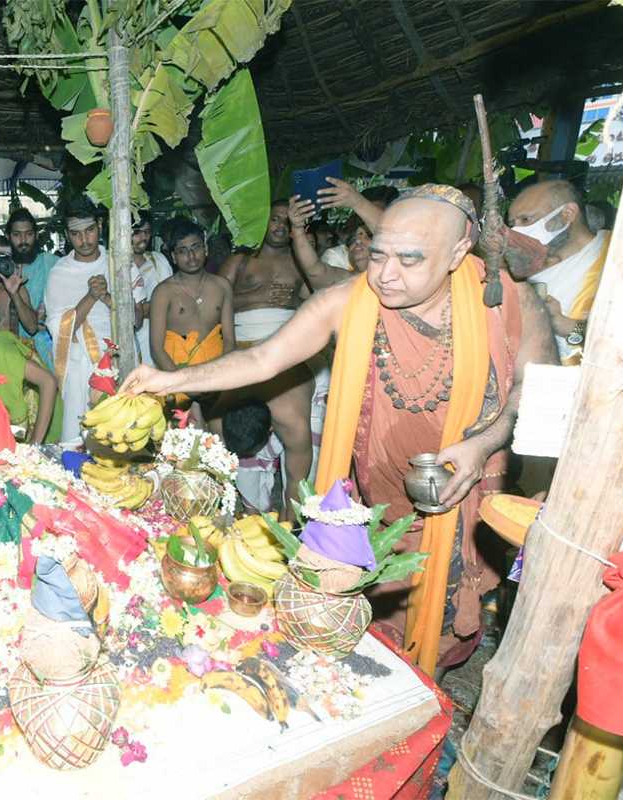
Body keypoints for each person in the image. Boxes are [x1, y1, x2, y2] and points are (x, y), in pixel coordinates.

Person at [125, 185, 557, 675]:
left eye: (410, 260)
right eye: (377, 254)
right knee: (380, 613)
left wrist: (482, 443)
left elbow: (533, 390)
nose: (386, 274)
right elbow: (265, 357)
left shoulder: (508, 302)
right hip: (385, 490)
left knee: (442, 618)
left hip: (468, 487)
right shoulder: (350, 300)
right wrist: (170, 379)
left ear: (459, 252)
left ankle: (425, 703)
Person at [217, 199, 320, 512]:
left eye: (286, 222)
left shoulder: (302, 261)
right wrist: (255, 296)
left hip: (289, 352)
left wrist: (294, 301)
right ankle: (252, 509)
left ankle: (293, 519)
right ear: (262, 222)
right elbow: (210, 302)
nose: (279, 226)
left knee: (302, 454)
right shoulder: (241, 259)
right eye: (274, 219)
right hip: (244, 348)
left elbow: (319, 302)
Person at [506, 179, 609, 364]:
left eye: (526, 220)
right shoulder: (524, 270)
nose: (516, 231)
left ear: (568, 213)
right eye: (513, 223)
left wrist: (564, 325)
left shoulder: (616, 260)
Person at [43, 197, 115, 440]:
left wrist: (106, 297)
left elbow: (135, 320)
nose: (84, 240)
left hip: (116, 359)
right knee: (78, 436)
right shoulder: (59, 273)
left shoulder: (117, 264)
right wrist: (90, 297)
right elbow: (58, 330)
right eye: (76, 234)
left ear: (101, 227)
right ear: (67, 235)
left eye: (90, 230)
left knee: (120, 435)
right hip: (77, 369)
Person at [149, 219, 235, 409]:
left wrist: (221, 378)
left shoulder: (222, 286)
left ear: (205, 249)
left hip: (217, 377)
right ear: (173, 256)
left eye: (195, 247)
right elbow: (156, 347)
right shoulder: (163, 292)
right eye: (182, 251)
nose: (191, 255)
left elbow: (229, 339)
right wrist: (183, 383)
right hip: (175, 375)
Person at [5, 208, 57, 363]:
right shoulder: (2, 270)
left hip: (50, 350)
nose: (23, 240)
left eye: (28, 234)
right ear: (7, 236)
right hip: (10, 350)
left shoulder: (52, 264)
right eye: (16, 235)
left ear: (36, 235)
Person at [222, 397, 282, 514]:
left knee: (263, 504)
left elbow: (294, 477)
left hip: (266, 448)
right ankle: (250, 516)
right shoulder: (225, 424)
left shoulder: (284, 428)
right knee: (250, 496)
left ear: (271, 429)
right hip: (243, 458)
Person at [131, 213, 174, 367]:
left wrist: (150, 307)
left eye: (147, 232)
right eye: (137, 232)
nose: (143, 238)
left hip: (158, 336)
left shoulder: (158, 261)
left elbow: (173, 298)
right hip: (127, 342)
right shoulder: (114, 266)